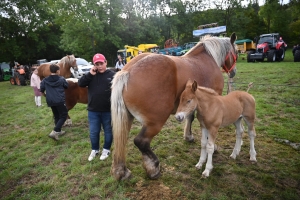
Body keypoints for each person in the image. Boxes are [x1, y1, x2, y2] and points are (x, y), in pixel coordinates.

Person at [78, 53, 115, 161]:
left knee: (108, 131)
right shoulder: (91, 75)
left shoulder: (112, 75)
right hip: (93, 110)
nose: (99, 66)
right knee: (94, 132)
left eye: (101, 63)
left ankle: (106, 149)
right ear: (94, 65)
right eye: (97, 64)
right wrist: (90, 74)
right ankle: (95, 149)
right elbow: (80, 83)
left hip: (108, 110)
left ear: (106, 62)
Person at [40, 64, 68, 141]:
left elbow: (41, 90)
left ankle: (58, 131)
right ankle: (55, 131)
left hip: (50, 100)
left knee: (56, 115)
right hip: (59, 100)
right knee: (63, 115)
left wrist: (45, 95)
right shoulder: (61, 79)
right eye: (59, 70)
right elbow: (66, 86)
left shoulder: (45, 80)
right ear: (57, 71)